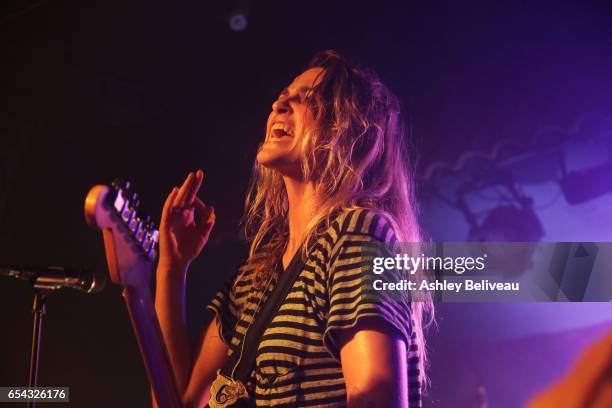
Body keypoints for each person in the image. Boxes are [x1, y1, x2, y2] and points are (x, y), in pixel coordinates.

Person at [154, 50, 433, 407]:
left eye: (308, 100)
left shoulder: (357, 236)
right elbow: (179, 400)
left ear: (351, 135)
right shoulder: (257, 276)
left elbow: (376, 400)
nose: (279, 103)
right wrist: (171, 269)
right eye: (283, 95)